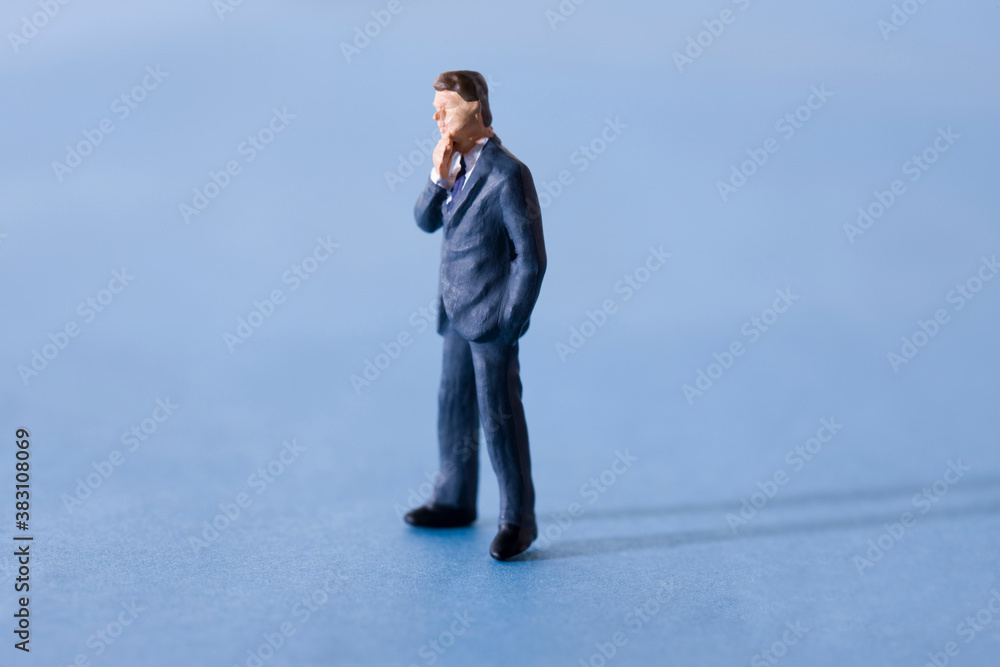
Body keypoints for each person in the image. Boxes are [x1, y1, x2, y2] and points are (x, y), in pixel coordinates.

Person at [406, 70, 547, 561]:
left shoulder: (508, 175)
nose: (436, 116)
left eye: (445, 107)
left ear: (475, 108)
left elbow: (530, 259)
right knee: (453, 404)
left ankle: (518, 520)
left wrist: (510, 323)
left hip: (491, 322)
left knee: (499, 418)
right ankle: (454, 498)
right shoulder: (453, 166)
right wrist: (437, 178)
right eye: (435, 109)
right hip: (454, 314)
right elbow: (424, 221)